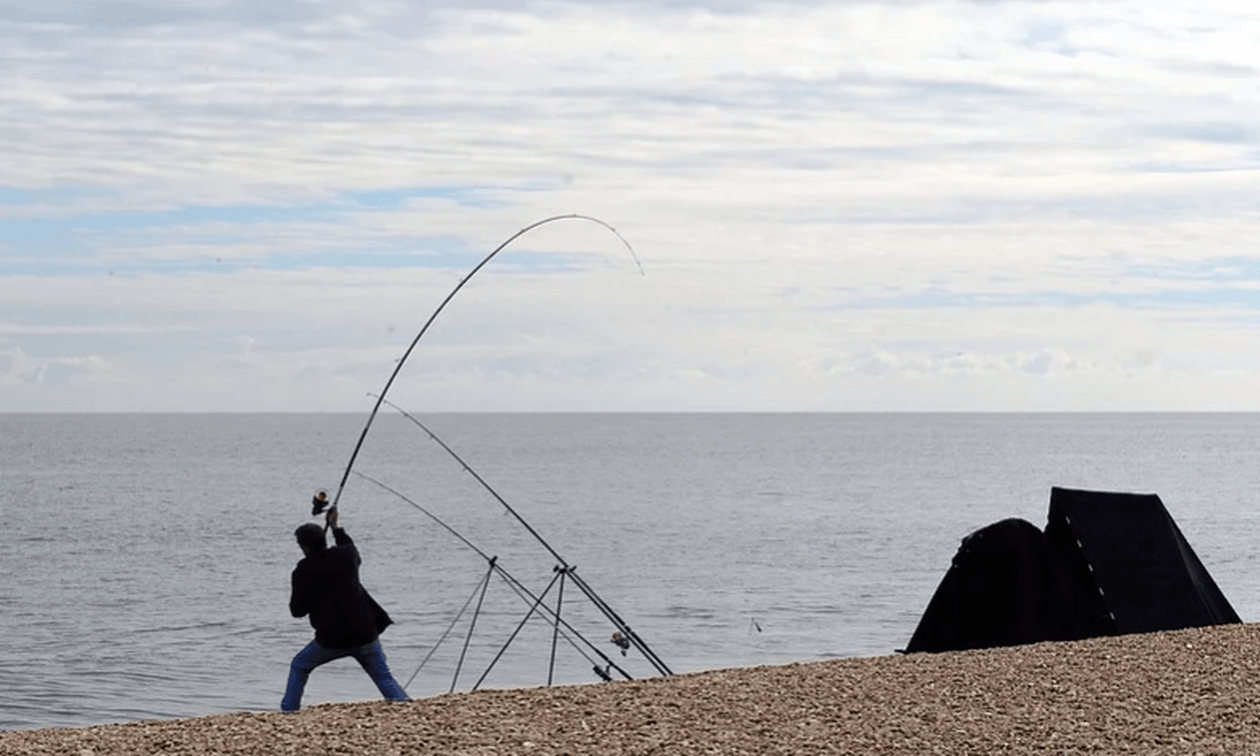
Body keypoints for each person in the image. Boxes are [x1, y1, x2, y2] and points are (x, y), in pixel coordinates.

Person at [281, 507, 411, 712]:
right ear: (324, 540)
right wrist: (335, 527)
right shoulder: (346, 556)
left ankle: (289, 711)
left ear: (304, 547)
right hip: (365, 633)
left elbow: (297, 611)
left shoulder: (303, 570)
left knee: (300, 665)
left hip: (331, 639)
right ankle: (404, 705)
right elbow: (350, 547)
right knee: (383, 676)